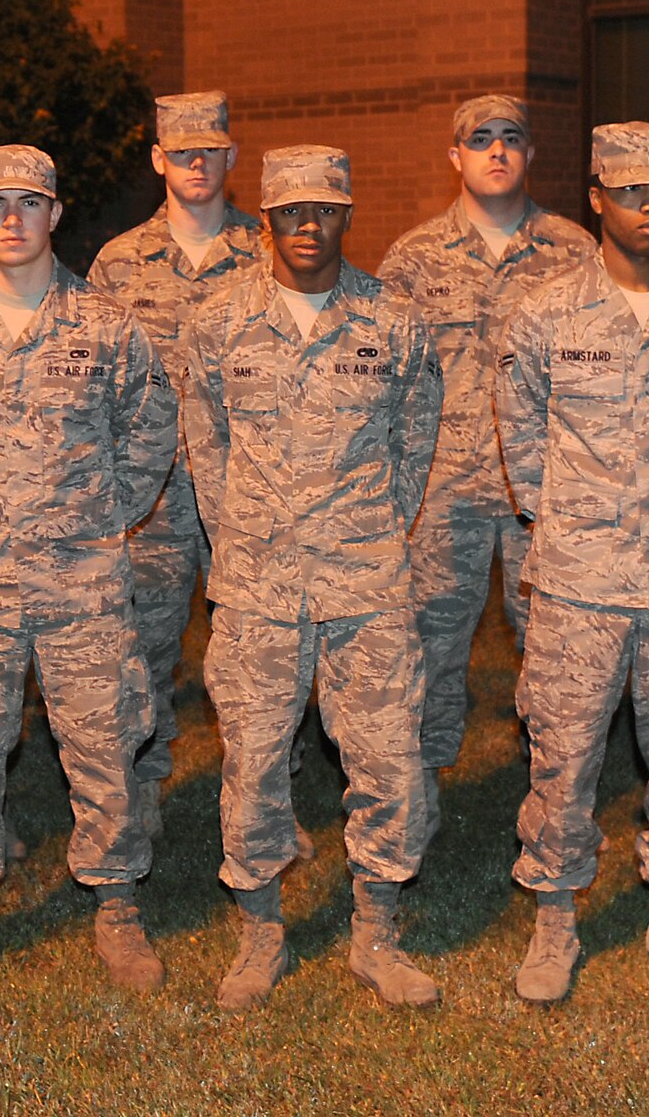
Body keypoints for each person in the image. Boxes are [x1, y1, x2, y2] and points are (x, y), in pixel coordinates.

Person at [0, 144, 178, 1001]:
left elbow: (149, 435)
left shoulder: (109, 327)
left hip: (82, 584)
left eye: (28, 202)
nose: (11, 219)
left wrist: (92, 522)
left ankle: (116, 904)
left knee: (104, 750)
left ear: (55, 213)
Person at [182, 145, 444, 1011]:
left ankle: (376, 933)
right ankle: (261, 933)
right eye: (290, 211)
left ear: (346, 216)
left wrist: (366, 531)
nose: (307, 226)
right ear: (266, 219)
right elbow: (206, 446)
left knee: (387, 758)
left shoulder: (394, 323)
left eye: (324, 210)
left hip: (365, 581)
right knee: (254, 762)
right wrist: (244, 538)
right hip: (256, 587)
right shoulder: (218, 321)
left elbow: (415, 442)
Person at [496, 122, 649, 1004]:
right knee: (563, 755)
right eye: (633, 190)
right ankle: (555, 916)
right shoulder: (544, 313)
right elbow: (524, 442)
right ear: (597, 197)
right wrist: (577, 524)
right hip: (580, 580)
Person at [377, 94, 594, 787]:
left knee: (551, 638)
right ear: (456, 156)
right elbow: (386, 377)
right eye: (480, 139)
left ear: (530, 153)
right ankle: (422, 772)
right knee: (430, 635)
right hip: (443, 486)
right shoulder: (413, 259)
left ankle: (552, 774)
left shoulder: (574, 251)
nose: (496, 150)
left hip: (545, 487)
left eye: (510, 138)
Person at [88, 90, 265, 833]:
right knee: (143, 643)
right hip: (151, 492)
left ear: (232, 157)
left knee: (259, 646)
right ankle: (144, 781)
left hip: (249, 487)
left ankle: (264, 793)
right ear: (159, 159)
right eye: (182, 152)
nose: (197, 164)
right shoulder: (118, 263)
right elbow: (96, 380)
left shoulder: (270, 251)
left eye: (210, 152)